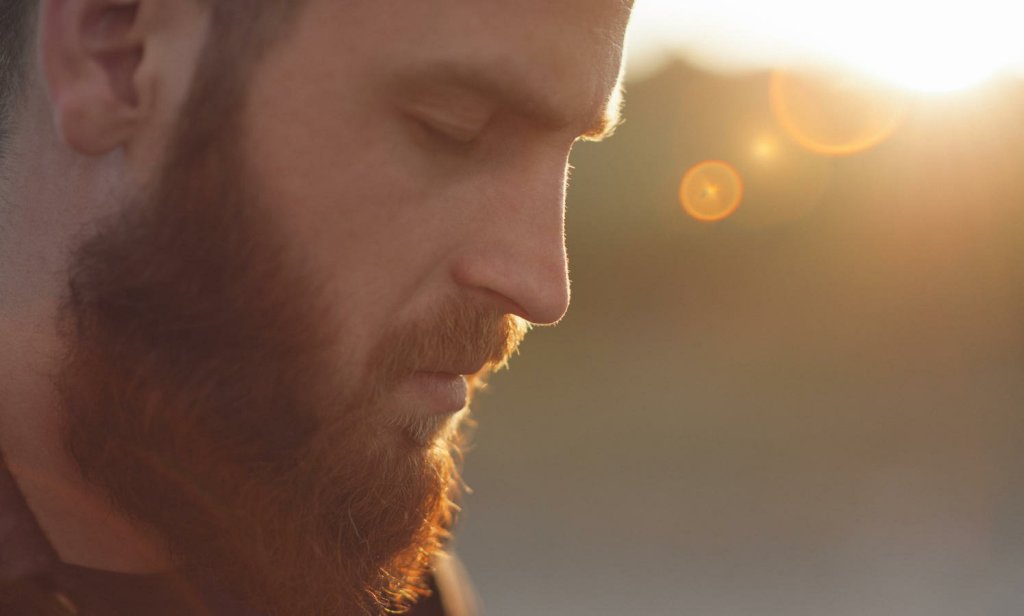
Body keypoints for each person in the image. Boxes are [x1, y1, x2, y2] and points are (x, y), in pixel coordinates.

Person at [0, 0, 632, 614]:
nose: (544, 288)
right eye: (452, 127)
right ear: (118, 53)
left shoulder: (373, 576)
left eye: (571, 155)